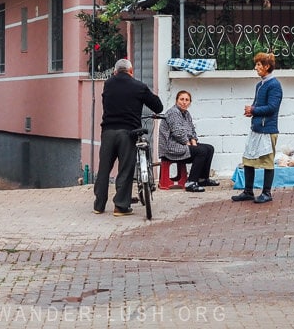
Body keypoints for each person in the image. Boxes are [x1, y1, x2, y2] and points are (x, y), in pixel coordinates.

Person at [93, 59, 164, 216]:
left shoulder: (108, 84)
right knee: (125, 168)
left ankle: (98, 205)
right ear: (131, 72)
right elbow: (158, 107)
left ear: (115, 71)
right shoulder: (139, 86)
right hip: (128, 133)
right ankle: (120, 206)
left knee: (104, 168)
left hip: (108, 132)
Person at [232, 52, 282, 204]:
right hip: (256, 128)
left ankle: (267, 193)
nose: (256, 68)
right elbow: (260, 105)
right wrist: (251, 111)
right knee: (248, 159)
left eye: (259, 65)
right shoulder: (259, 84)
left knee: (267, 161)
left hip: (267, 130)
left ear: (267, 67)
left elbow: (272, 107)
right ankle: (248, 191)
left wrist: (253, 110)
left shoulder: (274, 85)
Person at [158, 90, 218, 192]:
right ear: (176, 101)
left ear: (190, 102)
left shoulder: (186, 113)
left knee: (209, 148)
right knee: (201, 151)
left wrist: (194, 142)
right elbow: (178, 133)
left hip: (183, 144)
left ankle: (202, 179)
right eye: (181, 99)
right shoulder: (173, 113)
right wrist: (190, 145)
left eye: (187, 100)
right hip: (171, 147)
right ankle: (191, 182)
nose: (184, 102)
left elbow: (192, 130)